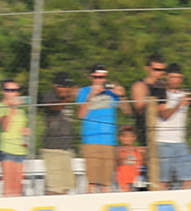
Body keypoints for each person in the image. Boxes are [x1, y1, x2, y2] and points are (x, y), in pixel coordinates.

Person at [74, 65, 123, 193]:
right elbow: (80, 115)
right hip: (91, 140)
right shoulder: (84, 91)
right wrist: (90, 96)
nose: (99, 80)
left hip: (109, 140)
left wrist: (122, 95)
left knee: (106, 183)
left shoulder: (111, 92)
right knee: (92, 181)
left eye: (102, 77)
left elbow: (127, 110)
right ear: (91, 77)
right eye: (96, 77)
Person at [150, 64, 191, 190]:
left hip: (180, 141)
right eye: (172, 77)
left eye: (178, 77)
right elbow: (163, 114)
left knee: (188, 179)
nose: (175, 80)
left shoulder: (186, 94)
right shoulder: (161, 93)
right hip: (163, 141)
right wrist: (179, 104)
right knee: (163, 181)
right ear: (167, 77)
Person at [0, 78, 30, 196]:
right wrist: (12, 108)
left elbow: (22, 126)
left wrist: (26, 132)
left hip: (20, 149)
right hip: (7, 149)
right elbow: (5, 127)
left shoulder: (21, 110)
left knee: (18, 188)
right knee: (8, 187)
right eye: (9, 90)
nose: (12, 93)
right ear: (3, 91)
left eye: (15, 90)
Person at [41, 75, 77, 195]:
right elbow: (55, 107)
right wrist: (70, 98)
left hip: (66, 148)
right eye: (63, 86)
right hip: (52, 149)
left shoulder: (69, 99)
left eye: (68, 86)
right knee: (54, 187)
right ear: (55, 86)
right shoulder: (49, 95)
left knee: (65, 187)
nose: (66, 88)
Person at [129, 54, 167, 146]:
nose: (159, 73)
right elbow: (139, 108)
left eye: (162, 70)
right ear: (147, 68)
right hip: (146, 130)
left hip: (165, 131)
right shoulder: (140, 85)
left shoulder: (165, 86)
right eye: (156, 69)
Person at [113, 126, 143, 192]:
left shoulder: (137, 151)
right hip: (121, 181)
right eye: (124, 136)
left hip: (134, 181)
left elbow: (139, 165)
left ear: (134, 138)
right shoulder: (118, 150)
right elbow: (115, 164)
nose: (127, 139)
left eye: (129, 137)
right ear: (120, 138)